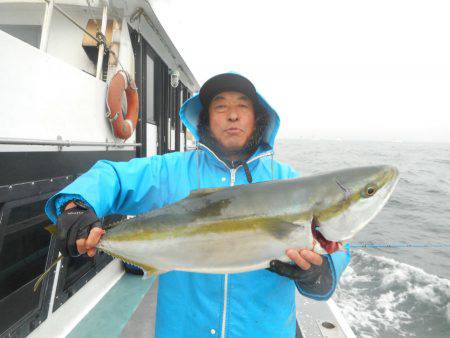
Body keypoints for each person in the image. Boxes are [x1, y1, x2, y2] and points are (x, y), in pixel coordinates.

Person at [45, 72, 350, 338]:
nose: (232, 115)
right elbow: (110, 175)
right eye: (221, 107)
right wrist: (75, 206)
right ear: (205, 118)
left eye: (243, 106)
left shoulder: (286, 181)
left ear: (258, 117)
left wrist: (320, 272)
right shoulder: (171, 171)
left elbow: (334, 243)